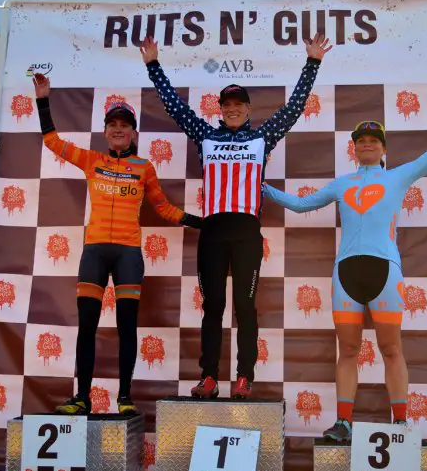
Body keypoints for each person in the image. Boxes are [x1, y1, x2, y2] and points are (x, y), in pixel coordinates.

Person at [262, 89, 427, 441]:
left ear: (384, 149)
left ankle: (401, 423)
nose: (367, 145)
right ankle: (343, 423)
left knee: (391, 349)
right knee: (347, 350)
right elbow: (302, 205)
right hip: (345, 275)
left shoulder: (399, 176)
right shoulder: (342, 184)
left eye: (374, 141)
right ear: (354, 148)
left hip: (385, 273)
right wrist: (263, 188)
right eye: (361, 141)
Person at [138, 34, 333, 400]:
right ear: (220, 108)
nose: (231, 109)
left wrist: (312, 63)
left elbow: (293, 108)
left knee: (245, 305)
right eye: (226, 104)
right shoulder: (205, 136)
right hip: (212, 231)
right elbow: (175, 108)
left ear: (247, 108)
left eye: (237, 104)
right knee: (213, 306)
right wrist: (153, 65)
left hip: (246, 232)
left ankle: (244, 377)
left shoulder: (262, 138)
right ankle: (209, 377)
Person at [31, 73, 203, 415]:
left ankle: (125, 397)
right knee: (87, 327)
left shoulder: (144, 168)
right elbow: (51, 141)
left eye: (125, 124)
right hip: (94, 251)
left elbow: (164, 208)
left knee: (127, 327)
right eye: (113, 124)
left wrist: (202, 223)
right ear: (106, 132)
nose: (118, 129)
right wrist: (43, 100)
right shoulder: (92, 161)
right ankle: (82, 397)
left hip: (128, 253)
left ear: (134, 133)